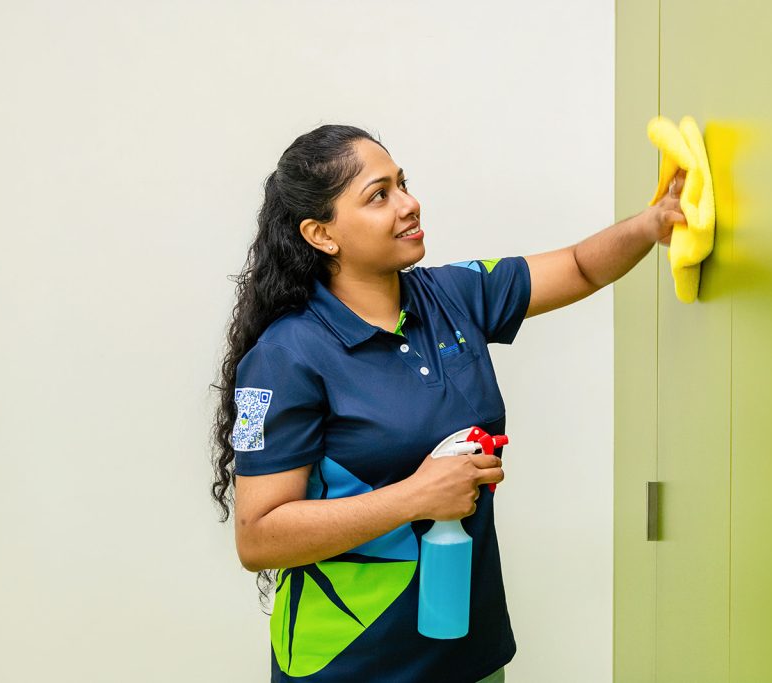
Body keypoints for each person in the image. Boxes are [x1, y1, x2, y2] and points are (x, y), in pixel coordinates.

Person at [210, 124, 685, 682]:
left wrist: (654, 223)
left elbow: (580, 266)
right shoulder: (285, 356)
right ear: (321, 234)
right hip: (353, 664)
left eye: (402, 183)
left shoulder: (452, 296)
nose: (410, 205)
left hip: (468, 655)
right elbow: (259, 536)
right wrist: (415, 496)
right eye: (379, 195)